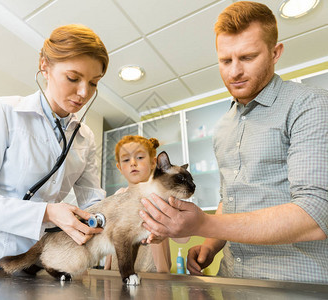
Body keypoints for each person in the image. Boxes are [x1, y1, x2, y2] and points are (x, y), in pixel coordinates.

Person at [139, 1, 328, 283]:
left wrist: (205, 223)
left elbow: (316, 214)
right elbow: (231, 199)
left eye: (248, 57)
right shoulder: (223, 127)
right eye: (225, 60)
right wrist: (210, 244)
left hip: (295, 283)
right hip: (231, 279)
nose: (234, 72)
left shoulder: (309, 105)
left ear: (276, 53)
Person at [0, 24, 109, 268]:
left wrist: (117, 211)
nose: (83, 92)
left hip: (45, 264)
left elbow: (92, 203)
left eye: (94, 83)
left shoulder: (84, 136)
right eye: (73, 78)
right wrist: (47, 212)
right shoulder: (3, 112)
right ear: (44, 66)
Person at [104, 135, 189, 273]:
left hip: (155, 280)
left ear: (153, 163)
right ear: (120, 167)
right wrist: (106, 270)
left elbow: (184, 239)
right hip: (117, 276)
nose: (132, 163)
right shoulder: (118, 196)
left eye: (140, 157)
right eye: (126, 159)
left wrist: (166, 227)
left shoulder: (164, 197)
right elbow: (110, 237)